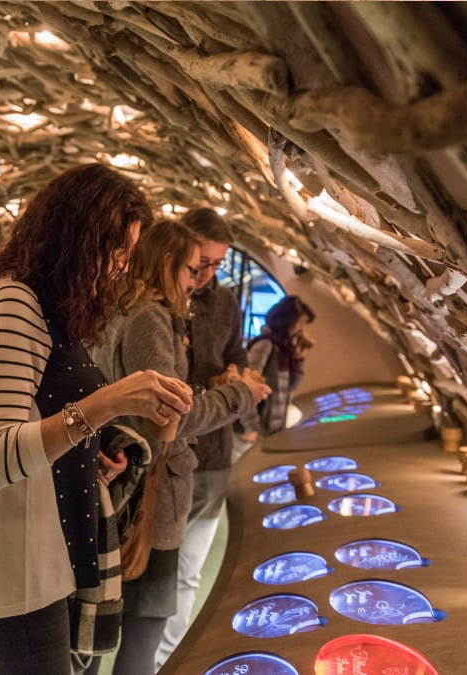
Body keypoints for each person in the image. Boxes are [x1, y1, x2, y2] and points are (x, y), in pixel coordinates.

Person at [0, 164, 194, 675]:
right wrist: (109, 401)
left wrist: (88, 460)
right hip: (19, 562)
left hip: (47, 548)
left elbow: (43, 426)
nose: (122, 267)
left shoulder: (45, 308)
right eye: (117, 251)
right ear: (77, 238)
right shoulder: (11, 305)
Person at [90, 221, 271, 675]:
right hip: (149, 488)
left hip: (124, 481)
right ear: (169, 263)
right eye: (194, 267)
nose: (197, 278)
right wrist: (240, 394)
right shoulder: (150, 317)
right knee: (145, 625)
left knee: (97, 628)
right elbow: (171, 415)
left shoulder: (121, 310)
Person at [155, 208, 261, 669]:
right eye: (200, 262)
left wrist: (234, 378)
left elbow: (236, 355)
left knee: (187, 573)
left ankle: (164, 663)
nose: (206, 273)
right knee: (150, 576)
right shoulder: (155, 304)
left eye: (216, 264)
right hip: (162, 460)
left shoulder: (227, 303)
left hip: (212, 452)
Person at [247, 295, 316, 434]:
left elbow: (290, 386)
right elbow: (247, 386)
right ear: (287, 321)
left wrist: (299, 360)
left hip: (275, 426)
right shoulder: (266, 345)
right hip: (260, 428)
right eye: (299, 323)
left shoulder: (284, 350)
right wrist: (252, 427)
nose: (300, 329)